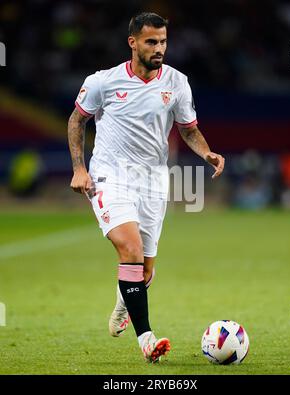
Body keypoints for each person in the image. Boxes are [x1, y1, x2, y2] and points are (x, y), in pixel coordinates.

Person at [67, 12, 225, 363]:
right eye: (152, 42)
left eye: (164, 42)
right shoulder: (102, 82)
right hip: (111, 174)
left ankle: (125, 302)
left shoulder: (177, 82)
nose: (159, 49)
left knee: (145, 269)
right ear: (133, 42)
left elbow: (187, 128)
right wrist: (79, 169)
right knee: (131, 250)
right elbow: (78, 119)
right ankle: (147, 339)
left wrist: (206, 152)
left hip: (154, 180)